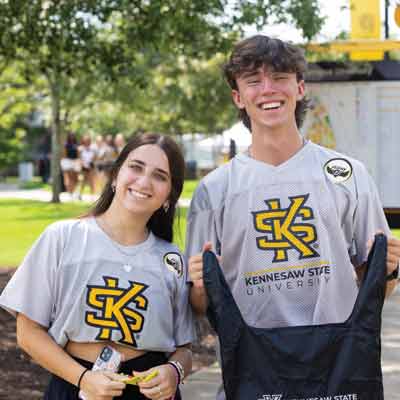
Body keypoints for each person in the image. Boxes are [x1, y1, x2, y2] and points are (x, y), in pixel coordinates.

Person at [185, 35, 400, 399]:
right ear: (238, 97)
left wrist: (389, 268)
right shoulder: (214, 191)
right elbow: (199, 305)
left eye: (280, 77)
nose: (268, 90)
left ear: (300, 87)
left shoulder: (346, 175)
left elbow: (378, 286)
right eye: (253, 81)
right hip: (253, 372)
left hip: (336, 372)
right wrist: (201, 286)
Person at [0, 132, 195, 400]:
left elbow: (184, 348)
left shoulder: (172, 260)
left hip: (147, 392)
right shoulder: (63, 237)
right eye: (135, 167)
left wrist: (174, 371)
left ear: (169, 196)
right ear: (115, 175)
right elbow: (28, 332)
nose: (144, 181)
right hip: (75, 383)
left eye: (160, 176)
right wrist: (84, 379)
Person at [60, 132, 81, 197]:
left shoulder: (76, 144)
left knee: (75, 178)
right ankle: (70, 192)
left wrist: (78, 161)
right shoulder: (66, 144)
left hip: (75, 161)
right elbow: (64, 154)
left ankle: (74, 191)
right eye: (71, 136)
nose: (72, 137)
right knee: (69, 177)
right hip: (68, 161)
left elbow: (78, 153)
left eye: (73, 136)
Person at [78, 135, 97, 199]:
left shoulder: (93, 148)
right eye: (85, 140)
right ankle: (80, 194)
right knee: (83, 180)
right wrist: (83, 164)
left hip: (91, 166)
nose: (87, 142)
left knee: (91, 181)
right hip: (84, 167)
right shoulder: (81, 149)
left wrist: (91, 163)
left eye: (88, 140)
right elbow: (80, 158)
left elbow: (95, 157)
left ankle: (92, 195)